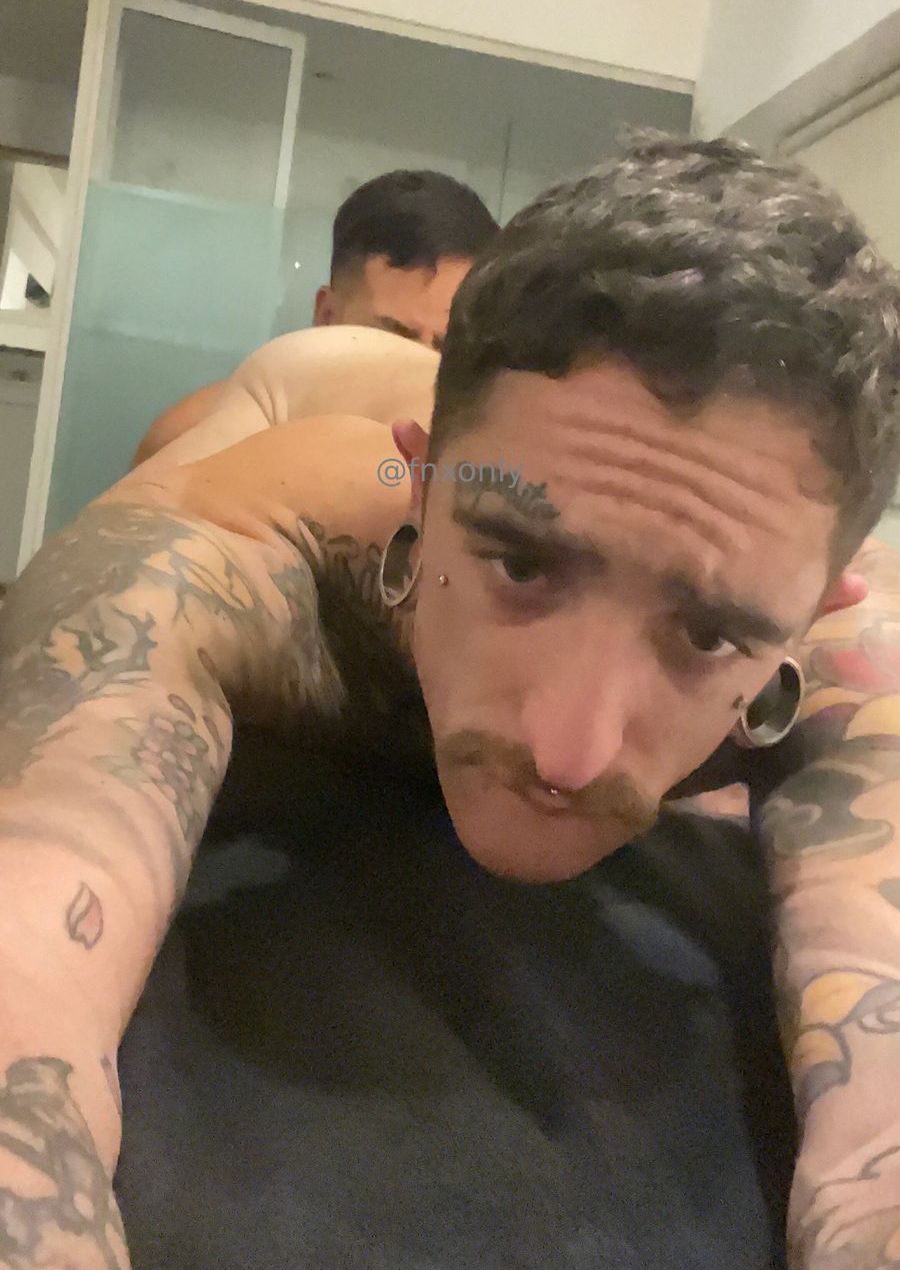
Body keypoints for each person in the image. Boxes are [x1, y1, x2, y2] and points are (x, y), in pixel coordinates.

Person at [1, 134, 900, 1269]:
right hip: (308, 398)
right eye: (521, 564)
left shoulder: (834, 622)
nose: (567, 749)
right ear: (426, 492)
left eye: (707, 635)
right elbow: (31, 941)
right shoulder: (269, 530)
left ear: (820, 604)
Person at [133, 169, 497, 464]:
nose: (423, 369)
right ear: (327, 316)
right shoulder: (190, 443)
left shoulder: (468, 475)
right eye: (393, 339)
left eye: (447, 349)